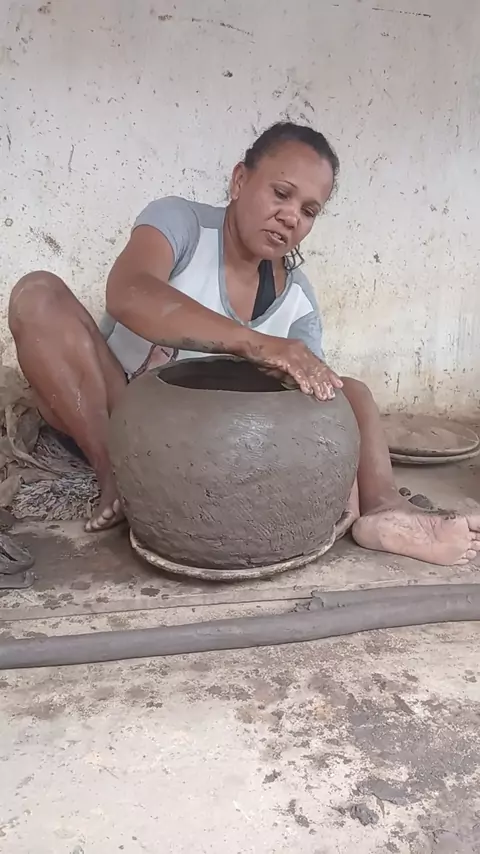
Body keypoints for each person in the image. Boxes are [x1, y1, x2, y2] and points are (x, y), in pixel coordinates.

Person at [8, 122, 480, 565]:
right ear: (239, 180)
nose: (290, 217)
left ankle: (384, 508)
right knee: (37, 294)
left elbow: (316, 410)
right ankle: (112, 473)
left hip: (204, 446)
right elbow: (129, 291)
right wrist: (254, 345)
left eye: (309, 211)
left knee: (348, 392)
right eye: (281, 193)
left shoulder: (296, 302)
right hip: (113, 408)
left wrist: (340, 479)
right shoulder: (181, 224)